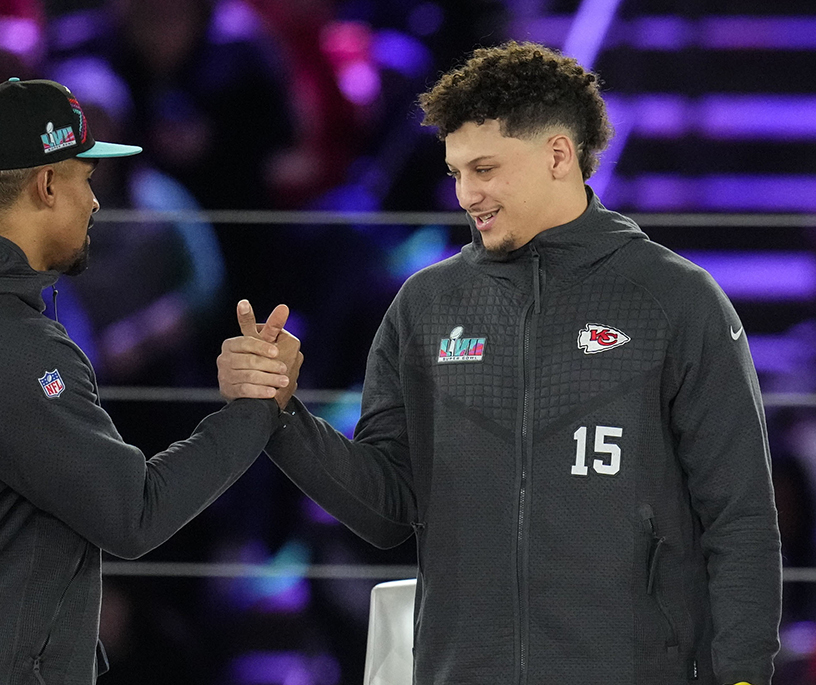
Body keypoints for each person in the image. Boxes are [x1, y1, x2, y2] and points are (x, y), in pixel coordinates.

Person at [218, 41, 781, 685]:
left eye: (484, 169)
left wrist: (740, 678)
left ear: (558, 155)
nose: (466, 195)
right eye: (456, 172)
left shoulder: (676, 302)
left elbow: (740, 522)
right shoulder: (425, 306)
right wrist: (283, 415)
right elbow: (384, 511)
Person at [0, 77, 300, 684]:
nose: (96, 203)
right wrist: (253, 408)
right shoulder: (17, 349)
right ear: (47, 185)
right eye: (86, 178)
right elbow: (134, 515)